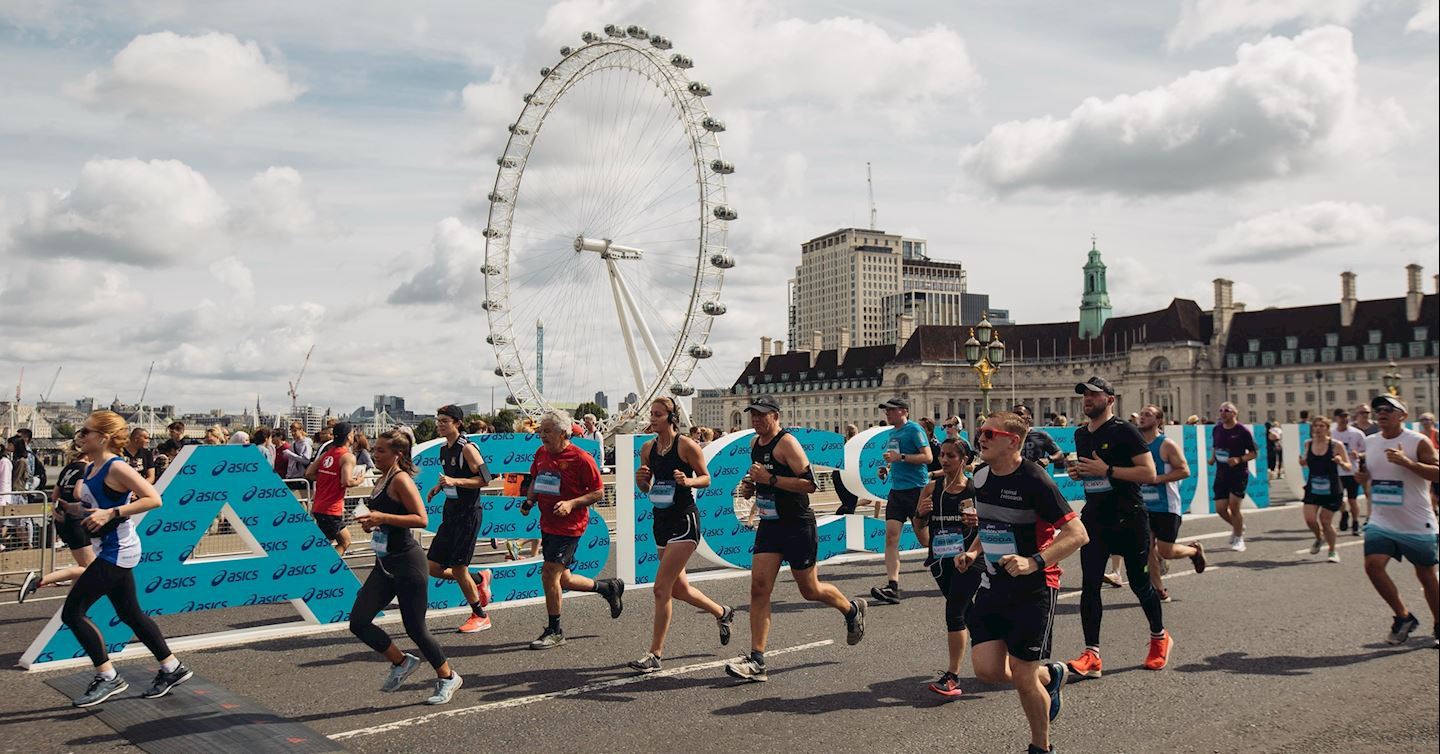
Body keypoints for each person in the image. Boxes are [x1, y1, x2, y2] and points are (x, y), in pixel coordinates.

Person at [955, 411, 1087, 754]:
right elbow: (992, 524)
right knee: (986, 671)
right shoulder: (981, 475)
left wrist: (1034, 561)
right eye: (979, 431)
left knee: (1023, 676)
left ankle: (1040, 747)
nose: (980, 437)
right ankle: (1052, 676)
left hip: (1035, 586)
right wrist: (973, 551)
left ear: (1012, 441)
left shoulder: (1035, 480)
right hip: (993, 583)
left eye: (988, 433)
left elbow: (1077, 534)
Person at [725, 395, 866, 682]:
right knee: (759, 589)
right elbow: (761, 480)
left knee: (809, 590)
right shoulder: (754, 445)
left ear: (775, 416)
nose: (756, 420)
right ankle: (757, 660)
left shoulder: (787, 443)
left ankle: (851, 610)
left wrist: (771, 480)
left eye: (762, 415)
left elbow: (810, 484)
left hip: (797, 524)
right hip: (770, 524)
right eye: (753, 414)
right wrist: (752, 487)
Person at [59, 410, 191, 708]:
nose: (81, 436)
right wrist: (73, 510)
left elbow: (154, 499)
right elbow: (97, 507)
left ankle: (108, 677)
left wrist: (113, 512)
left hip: (118, 550)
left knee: (73, 613)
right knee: (131, 613)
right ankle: (172, 668)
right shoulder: (92, 467)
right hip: (110, 548)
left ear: (103, 437)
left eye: (87, 431)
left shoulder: (116, 467)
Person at [1065, 376, 1171, 679]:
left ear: (1110, 400)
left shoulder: (1125, 431)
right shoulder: (1080, 434)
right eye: (1084, 394)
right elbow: (1093, 475)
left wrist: (1107, 470)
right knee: (1090, 584)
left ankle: (1159, 637)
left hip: (1129, 517)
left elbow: (1149, 473)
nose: (1087, 399)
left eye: (1094, 394)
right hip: (1096, 517)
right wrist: (1081, 474)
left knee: (1140, 584)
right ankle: (1092, 655)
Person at [349, 430, 462, 705]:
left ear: (397, 454)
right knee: (359, 621)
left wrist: (381, 516)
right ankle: (401, 662)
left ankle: (448, 677)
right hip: (384, 563)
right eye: (374, 450)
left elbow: (421, 519)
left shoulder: (400, 479)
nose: (375, 455)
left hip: (408, 563)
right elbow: (387, 518)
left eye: (381, 451)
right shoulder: (382, 478)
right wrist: (373, 521)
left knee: (415, 628)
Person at [629, 398, 735, 673]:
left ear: (671, 417)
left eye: (658, 414)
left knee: (661, 588)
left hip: (684, 521)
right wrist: (641, 481)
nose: (652, 419)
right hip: (660, 520)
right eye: (651, 414)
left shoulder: (686, 445)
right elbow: (645, 487)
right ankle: (722, 612)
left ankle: (655, 654)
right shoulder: (648, 448)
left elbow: (706, 477)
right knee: (679, 589)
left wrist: (688, 481)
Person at [522, 410, 624, 649]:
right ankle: (607, 588)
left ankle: (555, 630)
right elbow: (536, 480)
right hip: (547, 522)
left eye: (547, 431)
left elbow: (598, 492)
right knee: (563, 578)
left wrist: (571, 504)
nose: (542, 436)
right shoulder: (541, 453)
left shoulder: (581, 458)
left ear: (564, 432)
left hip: (570, 525)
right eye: (540, 431)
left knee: (549, 574)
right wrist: (529, 501)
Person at [1353, 395, 1439, 647]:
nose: (1381, 413)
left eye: (1389, 409)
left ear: (1402, 415)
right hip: (1382, 519)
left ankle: (1438, 623)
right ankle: (1403, 617)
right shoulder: (1370, 442)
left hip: (1416, 520)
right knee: (1373, 565)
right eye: (1378, 409)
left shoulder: (1417, 441)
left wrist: (1408, 463)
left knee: (1426, 575)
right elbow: (1371, 474)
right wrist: (1362, 476)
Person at [423, 405, 496, 634]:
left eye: (445, 421)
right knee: (433, 567)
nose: (440, 425)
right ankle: (479, 578)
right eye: (439, 420)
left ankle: (480, 615)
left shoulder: (468, 449)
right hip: (450, 512)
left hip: (468, 514)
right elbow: (453, 477)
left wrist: (456, 483)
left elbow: (485, 479)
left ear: (457, 423)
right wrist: (439, 486)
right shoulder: (444, 449)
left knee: (457, 567)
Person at [917, 438, 980, 697]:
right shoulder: (931, 489)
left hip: (969, 560)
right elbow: (920, 530)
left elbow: (990, 527)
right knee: (968, 613)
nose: (944, 459)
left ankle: (952, 676)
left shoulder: (975, 490)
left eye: (951, 456)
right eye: (942, 455)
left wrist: (977, 521)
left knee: (954, 611)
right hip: (941, 561)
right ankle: (995, 649)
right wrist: (920, 513)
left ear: (963, 460)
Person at [1136, 405, 1205, 602]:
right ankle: (1158, 589)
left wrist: (1156, 478)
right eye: (1141, 414)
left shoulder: (1166, 444)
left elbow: (1184, 471)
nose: (1142, 417)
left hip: (1167, 506)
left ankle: (1194, 551)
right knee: (1147, 546)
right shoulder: (1137, 446)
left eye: (1147, 415)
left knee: (1165, 551)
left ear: (1158, 420)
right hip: (1144, 506)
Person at [871, 397, 932, 605]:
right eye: (885, 410)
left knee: (925, 540)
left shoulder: (914, 430)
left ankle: (956, 558)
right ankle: (892, 586)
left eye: (891, 410)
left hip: (916, 490)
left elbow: (928, 457)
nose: (887, 414)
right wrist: (886, 468)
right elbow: (894, 459)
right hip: (897, 492)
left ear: (904, 411)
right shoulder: (892, 433)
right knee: (890, 537)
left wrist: (901, 458)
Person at [18, 440, 94, 603]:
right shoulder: (85, 468)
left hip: (63, 519)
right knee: (90, 568)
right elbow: (78, 494)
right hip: (77, 519)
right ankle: (40, 580)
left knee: (82, 565)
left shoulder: (67, 468)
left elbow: (55, 495)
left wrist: (56, 508)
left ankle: (73, 605)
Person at [305, 422, 363, 556]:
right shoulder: (347, 456)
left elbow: (309, 473)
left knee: (323, 544)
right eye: (352, 434)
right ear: (349, 437)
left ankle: (318, 566)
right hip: (331, 508)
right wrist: (359, 480)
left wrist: (327, 478)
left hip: (319, 505)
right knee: (345, 541)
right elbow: (346, 481)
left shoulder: (327, 453)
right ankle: (325, 568)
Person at [1301, 416, 1349, 563]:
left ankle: (1333, 551)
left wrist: (1341, 462)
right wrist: (1303, 462)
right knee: (1309, 520)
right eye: (1316, 426)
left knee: (1325, 521)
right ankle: (1319, 537)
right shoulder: (1308, 444)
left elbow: (1349, 467)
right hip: (1313, 487)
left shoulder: (1336, 445)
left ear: (1328, 429)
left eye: (1322, 426)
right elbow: (1306, 463)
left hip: (1332, 488)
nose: (1318, 428)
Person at [1210, 402, 1257, 551]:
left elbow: (1254, 453)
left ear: (1234, 413)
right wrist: (1212, 458)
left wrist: (1239, 459)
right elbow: (1216, 446)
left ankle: (1239, 538)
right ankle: (1238, 527)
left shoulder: (1242, 431)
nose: (1223, 413)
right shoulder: (1216, 429)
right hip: (1221, 473)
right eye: (1221, 410)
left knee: (1234, 507)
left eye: (1227, 410)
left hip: (1238, 473)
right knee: (1220, 509)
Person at [1332, 408, 1367, 535]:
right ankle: (1344, 513)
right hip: (1336, 471)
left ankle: (1356, 522)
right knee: (1338, 498)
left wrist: (1359, 454)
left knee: (1353, 499)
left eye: (1346, 417)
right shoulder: (1331, 433)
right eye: (1341, 417)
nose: (1344, 419)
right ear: (1336, 418)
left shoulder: (1357, 433)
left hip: (1352, 471)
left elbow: (1366, 451)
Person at [1015, 404, 1065, 470]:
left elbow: (1060, 455)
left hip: (1035, 476)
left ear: (1029, 417)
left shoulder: (1041, 435)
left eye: (1019, 414)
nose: (1015, 417)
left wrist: (1048, 459)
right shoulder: (1006, 437)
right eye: (1013, 414)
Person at [1419, 412, 1439, 513]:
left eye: (1427, 419)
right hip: (1424, 466)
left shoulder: (1436, 434)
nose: (1424, 422)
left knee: (1437, 491)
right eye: (1422, 420)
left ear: (1433, 421)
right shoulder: (1420, 435)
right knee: (1428, 490)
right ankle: (1434, 510)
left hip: (1436, 466)